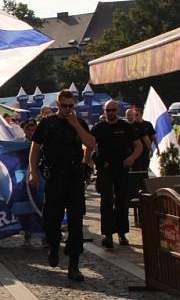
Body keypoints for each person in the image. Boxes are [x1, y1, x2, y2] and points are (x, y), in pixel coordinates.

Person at [28, 89, 95, 282]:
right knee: (51, 219)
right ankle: (54, 246)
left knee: (76, 222)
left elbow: (91, 143)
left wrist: (76, 125)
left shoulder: (79, 122)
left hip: (74, 177)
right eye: (64, 106)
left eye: (71, 106)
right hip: (55, 176)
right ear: (58, 105)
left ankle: (74, 265)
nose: (67, 109)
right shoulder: (47, 123)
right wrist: (33, 172)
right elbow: (35, 149)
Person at [89, 100, 142, 249]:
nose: (111, 113)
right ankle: (108, 235)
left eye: (113, 110)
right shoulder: (98, 127)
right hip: (104, 168)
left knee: (122, 201)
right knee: (106, 202)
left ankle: (122, 233)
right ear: (104, 111)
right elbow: (89, 145)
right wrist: (88, 164)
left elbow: (139, 145)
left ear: (117, 110)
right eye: (108, 110)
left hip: (122, 168)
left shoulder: (125, 126)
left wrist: (132, 158)